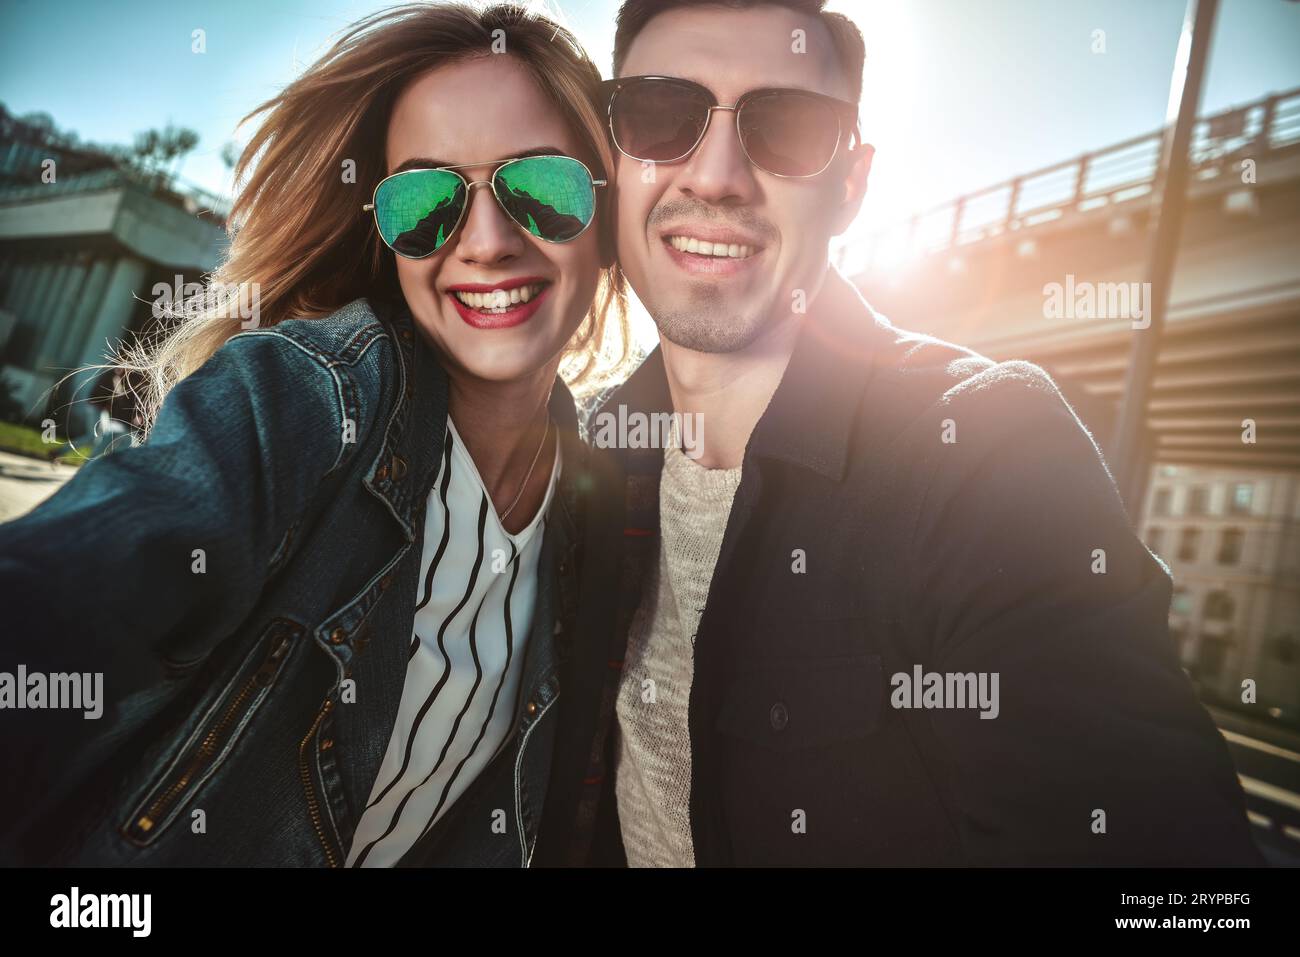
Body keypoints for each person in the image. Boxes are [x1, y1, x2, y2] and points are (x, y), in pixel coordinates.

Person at [534, 0, 1262, 867]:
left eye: (790, 128)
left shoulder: (985, 456)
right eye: (661, 115)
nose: (717, 174)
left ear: (851, 184)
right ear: (610, 162)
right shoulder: (588, 456)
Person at [0, 2, 628, 868]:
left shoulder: (601, 513)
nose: (485, 241)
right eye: (424, 200)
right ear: (386, 235)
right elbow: (54, 601)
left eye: (544, 187)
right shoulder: (309, 393)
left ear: (606, 209)